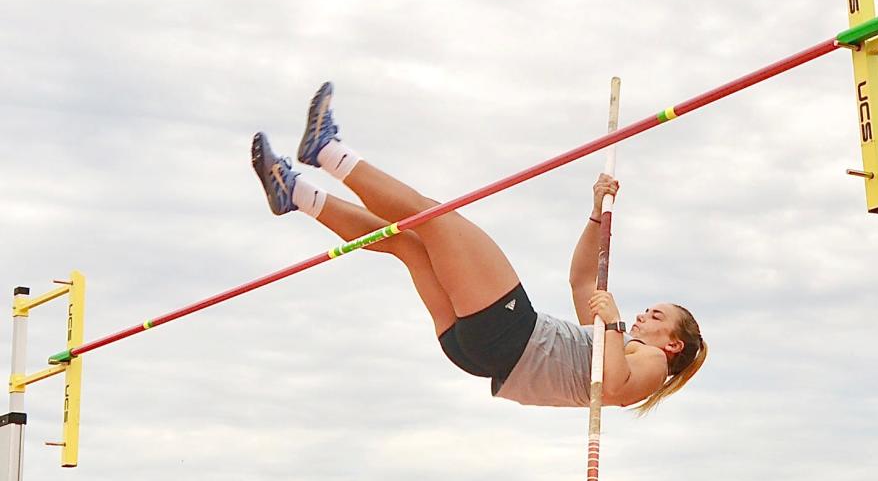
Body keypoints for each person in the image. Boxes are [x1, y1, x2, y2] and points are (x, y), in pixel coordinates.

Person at [250, 83, 707, 413]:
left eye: (658, 317)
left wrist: (612, 323)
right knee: (408, 244)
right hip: (477, 351)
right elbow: (583, 279)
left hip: (514, 338)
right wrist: (594, 214)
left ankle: (327, 151)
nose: (646, 315)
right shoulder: (615, 344)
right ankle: (297, 195)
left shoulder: (647, 362)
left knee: (433, 218)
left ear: (673, 344)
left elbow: (612, 390)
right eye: (651, 310)